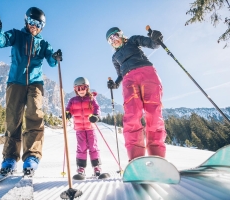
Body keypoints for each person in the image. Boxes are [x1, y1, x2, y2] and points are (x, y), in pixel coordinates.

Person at [0, 7, 62, 176]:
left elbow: (51, 61)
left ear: (42, 26)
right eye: (31, 22)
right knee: (13, 118)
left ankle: (32, 157)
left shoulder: (44, 44)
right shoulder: (16, 35)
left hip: (35, 83)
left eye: (38, 24)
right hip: (15, 81)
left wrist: (55, 57)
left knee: (35, 114)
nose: (34, 26)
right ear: (26, 21)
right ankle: (10, 158)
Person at [105, 27, 166, 162]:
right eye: (110, 40)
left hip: (147, 74)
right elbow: (120, 74)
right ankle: (136, 158)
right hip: (129, 80)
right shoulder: (115, 57)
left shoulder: (132, 40)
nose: (114, 40)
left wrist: (156, 38)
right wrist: (115, 84)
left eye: (115, 36)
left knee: (154, 113)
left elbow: (152, 44)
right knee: (132, 115)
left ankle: (157, 156)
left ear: (121, 35)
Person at [66, 77, 102, 177]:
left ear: (87, 88)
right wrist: (67, 114)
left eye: (83, 88)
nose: (81, 90)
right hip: (79, 129)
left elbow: (97, 108)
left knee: (93, 147)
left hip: (90, 127)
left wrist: (96, 116)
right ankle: (81, 168)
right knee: (81, 147)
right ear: (75, 90)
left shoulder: (91, 98)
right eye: (78, 88)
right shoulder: (72, 100)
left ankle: (96, 167)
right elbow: (68, 110)